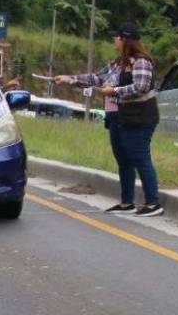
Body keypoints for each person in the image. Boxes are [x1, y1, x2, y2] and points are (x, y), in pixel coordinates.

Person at [56, 23, 162, 216]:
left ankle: (153, 202)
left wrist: (115, 90)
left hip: (139, 117)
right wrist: (70, 79)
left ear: (125, 39)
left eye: (117, 37)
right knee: (123, 159)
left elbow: (141, 87)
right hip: (118, 116)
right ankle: (126, 202)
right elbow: (97, 78)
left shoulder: (141, 62)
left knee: (139, 157)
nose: (114, 40)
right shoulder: (117, 63)